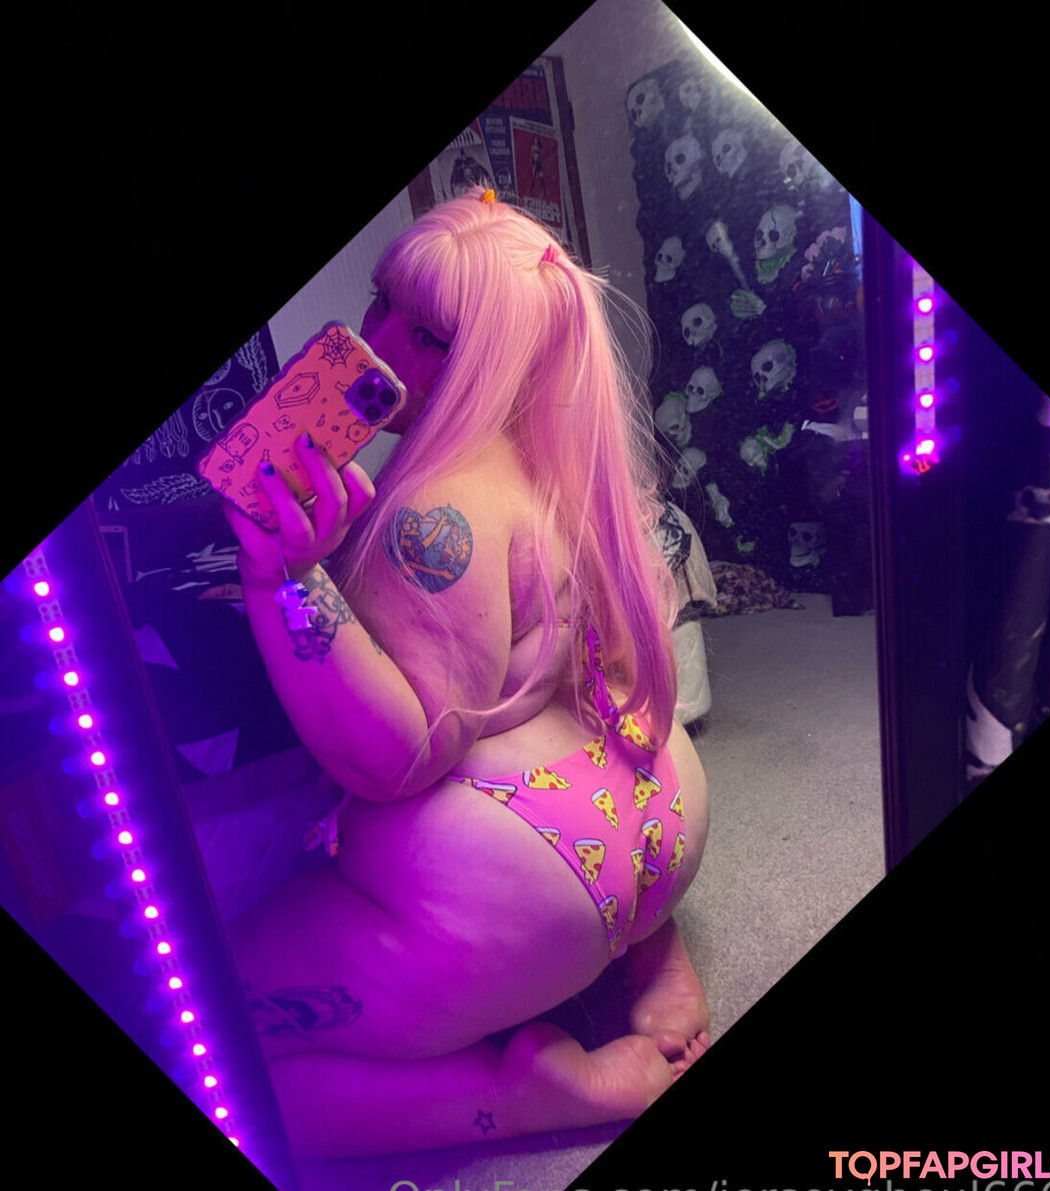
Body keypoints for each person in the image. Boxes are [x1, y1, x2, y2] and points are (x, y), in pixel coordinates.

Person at [221, 187, 711, 1161]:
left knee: (214, 1037)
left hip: (527, 890)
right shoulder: (570, 468)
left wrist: (283, 579)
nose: (375, 345)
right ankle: (654, 955)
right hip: (658, 825)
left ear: (500, 359)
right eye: (381, 303)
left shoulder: (432, 512)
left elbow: (396, 757)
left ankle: (523, 1097)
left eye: (429, 337)